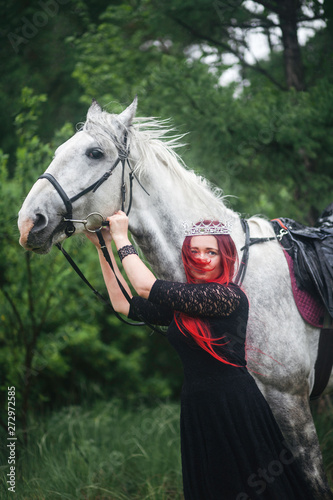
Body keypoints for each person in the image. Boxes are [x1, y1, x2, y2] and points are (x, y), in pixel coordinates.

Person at [86, 211, 313, 500]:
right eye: (194, 251)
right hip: (198, 407)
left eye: (211, 251)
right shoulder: (185, 305)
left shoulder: (228, 297)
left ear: (225, 256)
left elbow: (146, 287)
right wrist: (102, 246)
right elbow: (125, 303)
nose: (202, 257)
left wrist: (121, 237)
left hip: (234, 405)